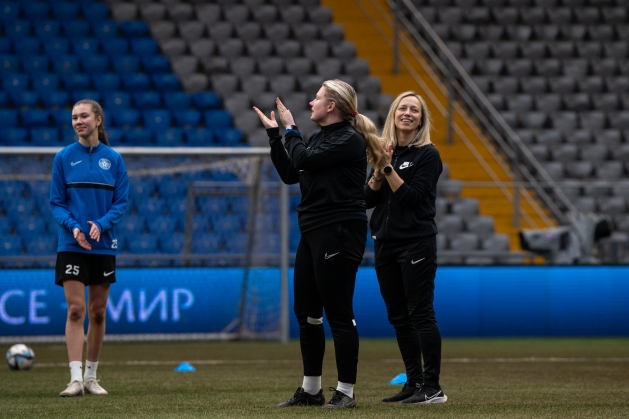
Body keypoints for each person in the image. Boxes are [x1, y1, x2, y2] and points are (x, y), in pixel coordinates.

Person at [253, 80, 381, 409]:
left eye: (317, 98)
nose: (311, 102)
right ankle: (311, 391)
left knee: (338, 314)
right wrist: (274, 136)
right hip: (312, 231)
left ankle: (346, 393)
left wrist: (291, 127)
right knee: (307, 313)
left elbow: (304, 160)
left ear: (331, 107)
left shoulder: (349, 140)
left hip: (338, 231)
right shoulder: (321, 139)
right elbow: (291, 172)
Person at [365, 91, 447, 404]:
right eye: (403, 108)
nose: (408, 113)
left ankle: (433, 387)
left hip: (416, 243)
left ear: (421, 119)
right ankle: (413, 383)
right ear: (394, 115)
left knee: (420, 313)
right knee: (399, 317)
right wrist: (377, 170)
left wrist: (387, 169)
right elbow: (367, 200)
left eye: (415, 110)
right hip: (384, 243)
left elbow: (412, 199)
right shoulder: (385, 151)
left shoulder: (428, 154)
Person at [50, 99, 129, 397]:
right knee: (75, 309)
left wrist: (102, 223)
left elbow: (120, 202)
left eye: (83, 116)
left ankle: (91, 378)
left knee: (98, 312)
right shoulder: (64, 158)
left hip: (104, 244)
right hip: (71, 243)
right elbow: (56, 203)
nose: (78, 121)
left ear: (98, 120)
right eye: (74, 117)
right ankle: (74, 379)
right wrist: (74, 226)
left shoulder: (115, 160)